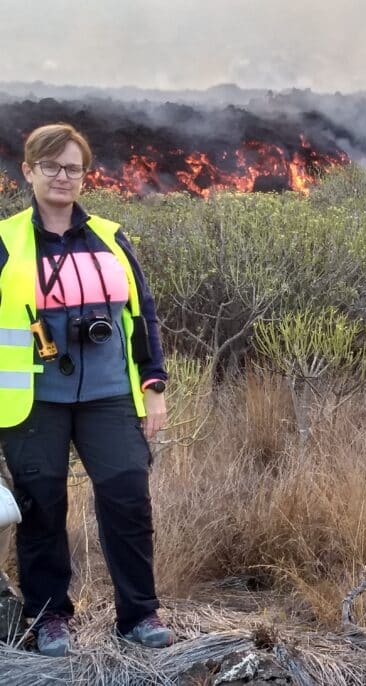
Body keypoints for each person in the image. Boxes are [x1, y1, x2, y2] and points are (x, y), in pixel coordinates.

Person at [0, 123, 173, 656]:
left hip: (110, 395)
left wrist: (154, 385)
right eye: (50, 166)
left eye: (72, 167)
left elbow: (142, 314)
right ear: (28, 171)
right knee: (41, 508)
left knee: (128, 499)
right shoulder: (6, 240)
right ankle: (49, 617)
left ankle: (139, 615)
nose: (62, 176)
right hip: (32, 400)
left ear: (85, 175)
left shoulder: (110, 236)